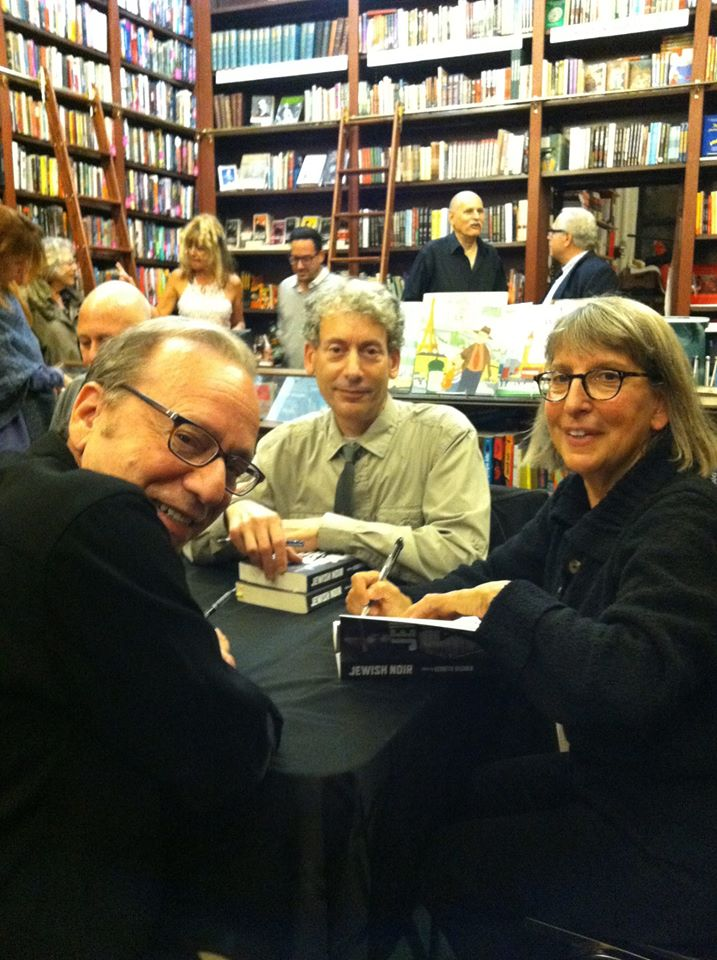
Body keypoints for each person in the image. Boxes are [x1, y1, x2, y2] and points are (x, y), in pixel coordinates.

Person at [346, 297, 717, 958]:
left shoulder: (683, 515)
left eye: (605, 378)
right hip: (620, 780)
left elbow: (627, 681)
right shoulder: (578, 499)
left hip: (676, 819)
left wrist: (500, 603)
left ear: (660, 406)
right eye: (558, 378)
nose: (573, 400)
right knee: (431, 798)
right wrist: (401, 596)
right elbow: (485, 576)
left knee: (449, 861)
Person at [0, 317, 282, 960]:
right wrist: (206, 659)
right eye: (188, 438)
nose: (214, 487)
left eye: (236, 465)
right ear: (89, 413)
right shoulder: (98, 519)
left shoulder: (22, 489)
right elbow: (233, 751)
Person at [186, 276, 490, 582]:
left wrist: (326, 533)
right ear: (310, 358)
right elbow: (194, 541)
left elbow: (463, 554)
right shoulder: (283, 446)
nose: (353, 371)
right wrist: (233, 517)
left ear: (394, 362)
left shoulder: (444, 437)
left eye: (370, 351)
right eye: (336, 350)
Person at [49, 279, 153, 434]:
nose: (92, 356)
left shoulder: (164, 403)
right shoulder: (75, 392)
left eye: (105, 342)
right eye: (85, 343)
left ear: (145, 341)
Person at [0, 207, 65, 452]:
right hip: (9, 426)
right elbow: (7, 369)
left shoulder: (9, 294)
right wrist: (50, 376)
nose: (22, 272)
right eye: (17, 262)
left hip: (31, 411)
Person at [402, 190, 507, 301]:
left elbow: (500, 302)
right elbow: (410, 302)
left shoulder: (491, 255)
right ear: (451, 218)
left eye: (480, 211)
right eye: (469, 211)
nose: (476, 217)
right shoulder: (431, 253)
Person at [153, 213, 244, 328]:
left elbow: (238, 322)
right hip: (186, 345)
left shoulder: (233, 283)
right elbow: (158, 316)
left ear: (216, 250)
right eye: (189, 247)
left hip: (219, 345)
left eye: (200, 248)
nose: (192, 253)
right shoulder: (178, 277)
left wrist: (237, 330)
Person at [276, 225, 342, 368]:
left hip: (329, 376)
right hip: (292, 373)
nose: (299, 266)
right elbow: (283, 330)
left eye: (306, 259)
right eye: (294, 259)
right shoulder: (284, 287)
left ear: (321, 256)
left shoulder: (339, 288)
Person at [25, 236, 83, 365]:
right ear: (51, 266)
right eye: (69, 263)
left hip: (80, 378)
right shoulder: (32, 304)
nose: (75, 268)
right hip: (53, 381)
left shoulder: (75, 300)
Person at [543, 207, 620, 301]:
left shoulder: (598, 273)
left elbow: (595, 315)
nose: (548, 237)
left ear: (567, 238)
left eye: (553, 232)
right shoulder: (563, 271)